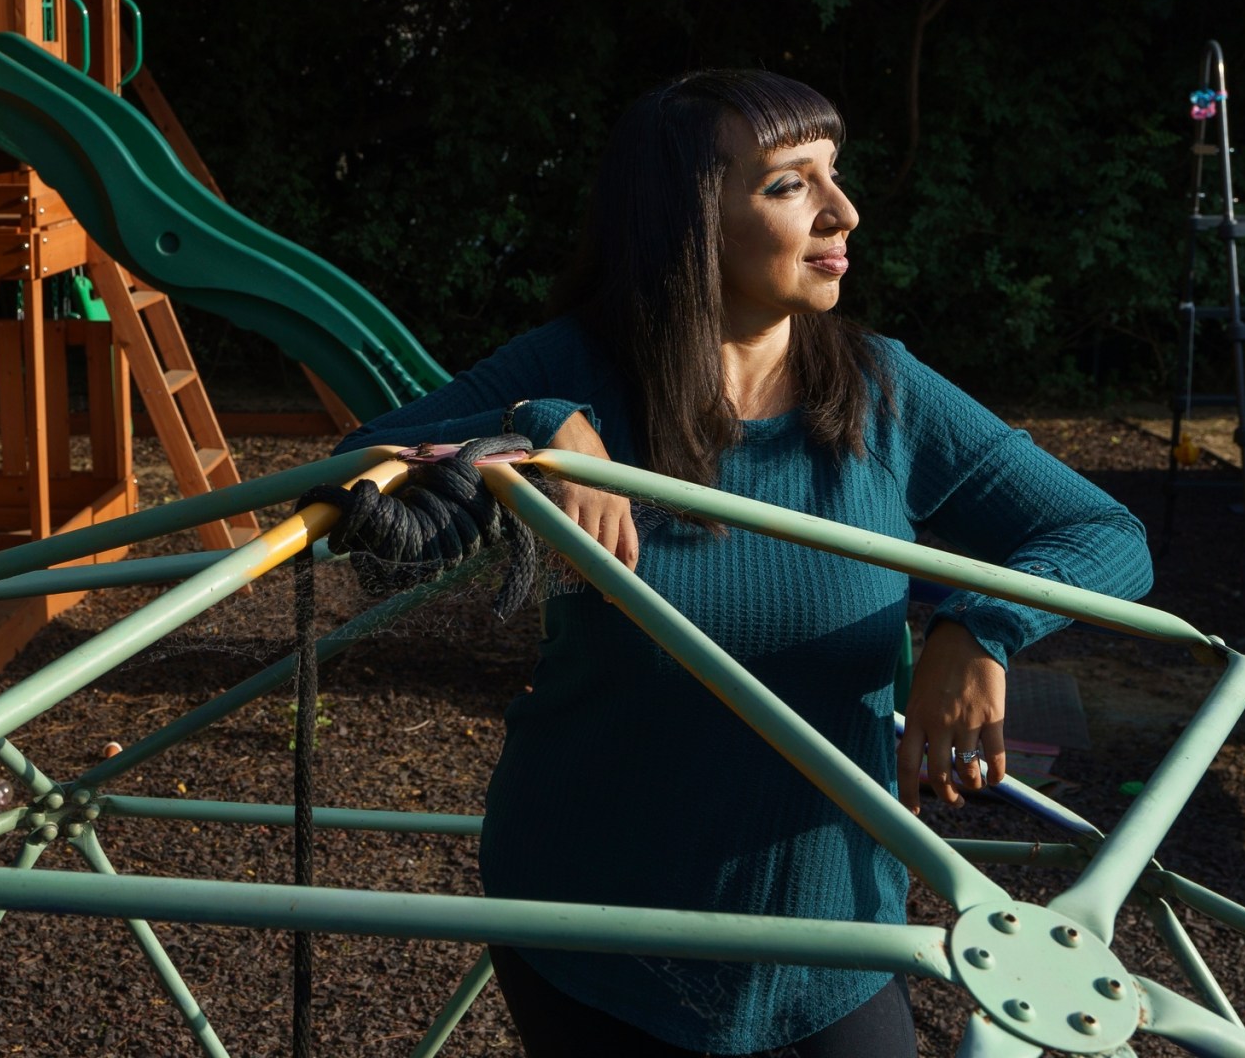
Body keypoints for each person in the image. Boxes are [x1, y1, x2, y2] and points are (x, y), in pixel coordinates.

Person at [333, 70, 1153, 1057]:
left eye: (832, 174)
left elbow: (1109, 536)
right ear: (686, 220)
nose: (842, 212)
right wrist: (539, 431)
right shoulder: (572, 370)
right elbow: (351, 470)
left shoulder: (882, 391)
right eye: (787, 184)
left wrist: (978, 626)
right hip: (591, 926)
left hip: (830, 934)